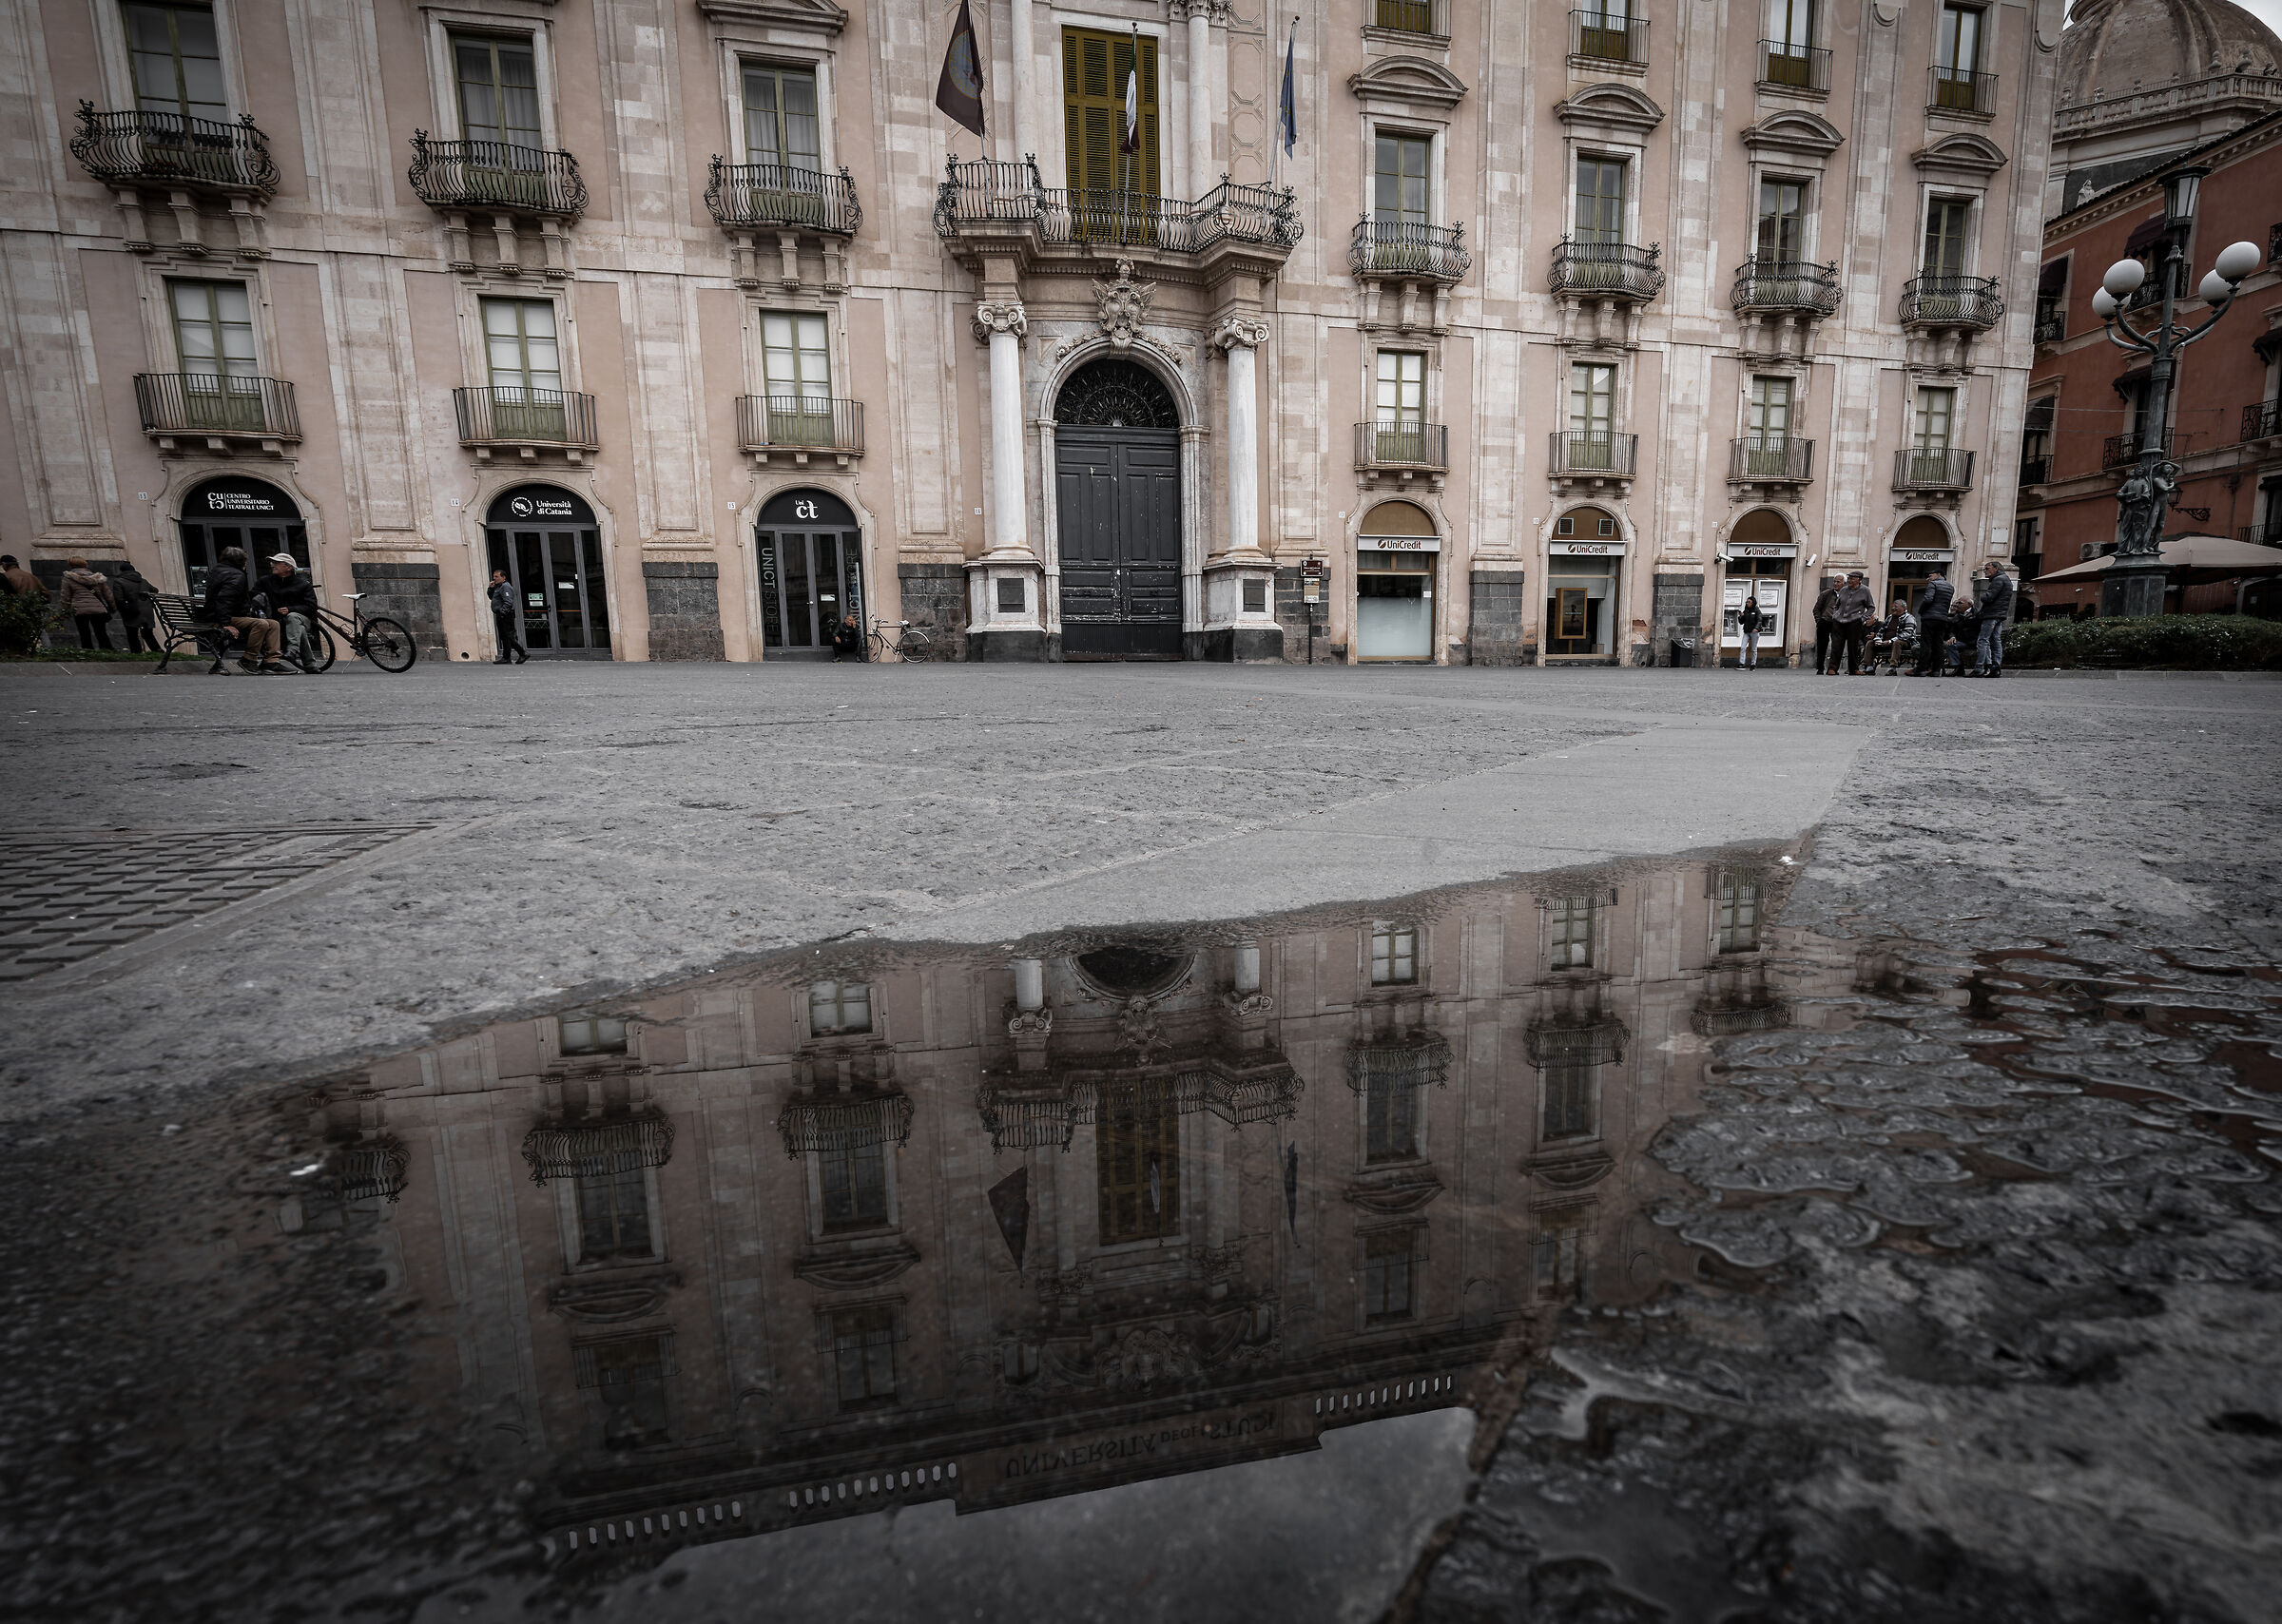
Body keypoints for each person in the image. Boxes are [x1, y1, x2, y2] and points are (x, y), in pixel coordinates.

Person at [202, 545, 289, 674]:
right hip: (219, 617)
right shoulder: (235, 575)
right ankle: (248, 659)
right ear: (241, 561)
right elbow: (224, 600)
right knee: (261, 624)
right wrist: (226, 624)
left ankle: (271, 661)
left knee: (274, 624)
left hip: (222, 614)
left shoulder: (220, 570)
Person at [260, 553, 320, 668]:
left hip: (302, 618)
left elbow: (312, 606)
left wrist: (290, 609)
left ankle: (292, 649)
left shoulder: (303, 585)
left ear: (288, 567)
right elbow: (254, 595)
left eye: (277, 563)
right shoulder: (266, 581)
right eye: (272, 562)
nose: (272, 565)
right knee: (299, 628)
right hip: (276, 619)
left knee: (292, 617)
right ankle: (310, 664)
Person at [56, 557, 116, 650]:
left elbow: (65, 597)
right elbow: (108, 595)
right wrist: (112, 608)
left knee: (84, 633)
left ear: (71, 565)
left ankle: (88, 650)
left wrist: (62, 612)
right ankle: (107, 650)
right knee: (101, 632)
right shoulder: (98, 578)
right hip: (98, 609)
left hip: (79, 609)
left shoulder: (68, 578)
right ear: (85, 565)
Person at [1828, 570, 1876, 675]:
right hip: (1839, 621)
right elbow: (1837, 605)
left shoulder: (1865, 591)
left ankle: (1853, 669)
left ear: (1859, 580)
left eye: (1852, 579)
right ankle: (1832, 668)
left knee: (1853, 647)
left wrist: (1862, 619)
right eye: (1849, 578)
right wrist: (1835, 614)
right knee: (1836, 646)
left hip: (1854, 622)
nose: (1849, 581)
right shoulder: (1844, 590)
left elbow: (1871, 607)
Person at [1972, 560, 2015, 677]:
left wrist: (1983, 596)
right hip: (1999, 615)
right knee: (1996, 641)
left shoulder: (1998, 580)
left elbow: (1989, 597)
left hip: (1991, 614)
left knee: (1983, 640)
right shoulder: (2006, 580)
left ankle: (1979, 668)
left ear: (1996, 568)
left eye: (1987, 568)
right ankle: (1995, 667)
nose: (1985, 571)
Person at [1910, 568, 1954, 678]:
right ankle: (1936, 670)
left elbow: (1928, 600)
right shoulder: (1950, 587)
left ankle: (1921, 669)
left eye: (1930, 576)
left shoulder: (1933, 584)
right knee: (1938, 644)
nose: (1928, 578)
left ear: (1938, 575)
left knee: (1926, 644)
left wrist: (1921, 611)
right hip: (1943, 618)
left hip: (1930, 617)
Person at [111, 562, 162, 653]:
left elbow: (118, 599)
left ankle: (137, 653)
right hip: (146, 611)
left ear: (121, 571)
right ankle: (158, 651)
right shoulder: (143, 581)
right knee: (148, 634)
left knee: (132, 635)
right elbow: (155, 590)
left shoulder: (119, 581)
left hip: (132, 610)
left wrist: (123, 609)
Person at [488, 570, 528, 664]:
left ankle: (522, 653)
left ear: (503, 577)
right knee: (504, 637)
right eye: (494, 576)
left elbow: (508, 602)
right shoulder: (498, 587)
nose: (494, 578)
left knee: (508, 636)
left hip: (505, 615)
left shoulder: (505, 587)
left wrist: (502, 612)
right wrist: (491, 588)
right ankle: (506, 658)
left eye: (497, 576)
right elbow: (491, 597)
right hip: (501, 614)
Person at [1868, 603, 1918, 673]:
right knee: (1870, 643)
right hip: (1887, 642)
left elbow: (1907, 634)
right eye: (1892, 606)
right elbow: (1881, 631)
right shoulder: (1889, 617)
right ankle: (1869, 667)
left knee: (1897, 642)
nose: (1893, 608)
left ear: (1903, 608)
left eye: (1896, 607)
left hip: (1905, 642)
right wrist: (1878, 639)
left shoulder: (1909, 618)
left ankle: (1893, 668)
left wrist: (1890, 641)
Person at [1811, 576, 1839, 673]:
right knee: (1822, 645)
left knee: (1837, 646)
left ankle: (1832, 668)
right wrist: (1819, 621)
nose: (1835, 584)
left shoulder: (1846, 594)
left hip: (1838, 623)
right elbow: (1816, 609)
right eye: (1834, 581)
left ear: (1844, 583)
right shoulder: (1826, 594)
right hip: (1825, 621)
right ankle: (1820, 667)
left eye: (1838, 582)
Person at [1736, 594, 1764, 670]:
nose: (1747, 603)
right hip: (1747, 631)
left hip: (1754, 632)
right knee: (1743, 647)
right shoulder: (1746, 611)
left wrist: (1756, 628)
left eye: (1749, 602)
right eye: (1747, 602)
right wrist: (1741, 616)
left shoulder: (1757, 610)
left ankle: (1753, 664)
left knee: (1753, 649)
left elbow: (1759, 620)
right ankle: (1741, 663)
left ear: (1753, 603)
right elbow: (1742, 622)